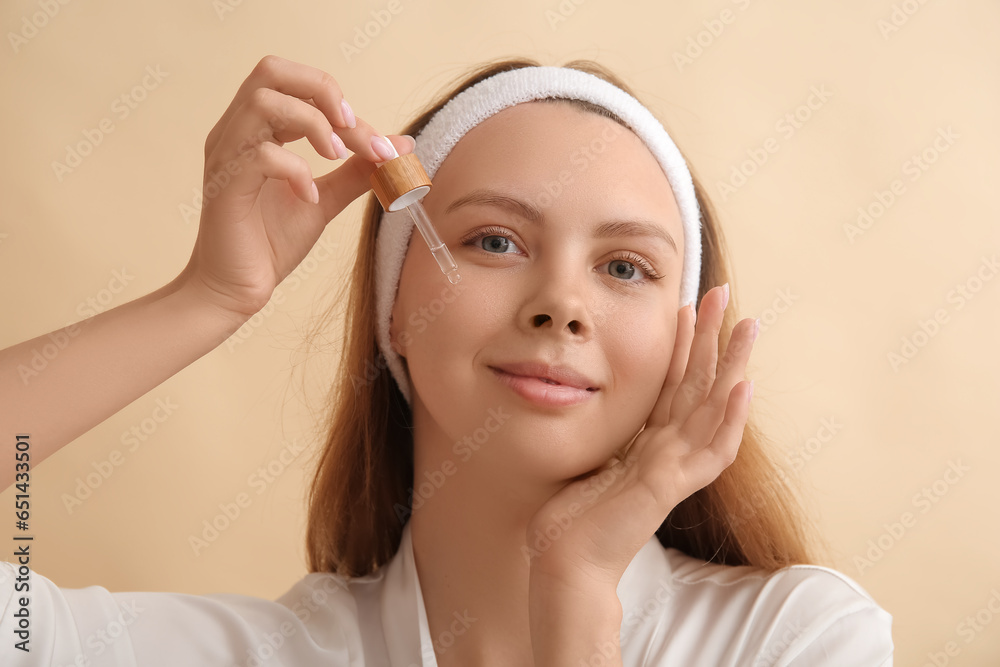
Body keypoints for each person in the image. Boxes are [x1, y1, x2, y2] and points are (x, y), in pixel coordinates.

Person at [0, 55, 893, 666]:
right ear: (395, 311)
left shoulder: (797, 637)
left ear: (683, 341)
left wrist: (575, 590)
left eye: (625, 266)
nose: (562, 304)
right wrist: (204, 298)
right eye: (496, 241)